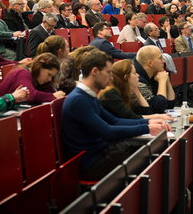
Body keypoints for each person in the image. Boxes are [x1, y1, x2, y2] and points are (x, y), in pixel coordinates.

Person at [61, 49, 170, 180]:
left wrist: (148, 122)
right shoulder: (78, 100)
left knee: (153, 152)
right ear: (94, 72)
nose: (111, 77)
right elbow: (107, 131)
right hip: (93, 164)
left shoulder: (88, 95)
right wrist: (147, 128)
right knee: (152, 157)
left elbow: (114, 121)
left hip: (103, 155)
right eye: (108, 73)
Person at [98, 59, 173, 120]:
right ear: (126, 77)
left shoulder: (129, 93)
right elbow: (131, 118)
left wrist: (136, 90)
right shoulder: (110, 94)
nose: (138, 75)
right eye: (134, 73)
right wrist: (157, 116)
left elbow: (147, 113)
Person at [0, 53, 65, 104]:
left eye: (52, 76)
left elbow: (49, 91)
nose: (49, 79)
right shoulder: (22, 72)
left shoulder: (38, 79)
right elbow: (30, 95)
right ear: (40, 66)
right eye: (49, 74)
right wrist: (52, 96)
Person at [133, 46, 176, 113]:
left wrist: (166, 81)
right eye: (160, 58)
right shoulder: (137, 79)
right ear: (150, 63)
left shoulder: (154, 74)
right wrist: (162, 81)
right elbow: (159, 108)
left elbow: (170, 104)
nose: (164, 61)